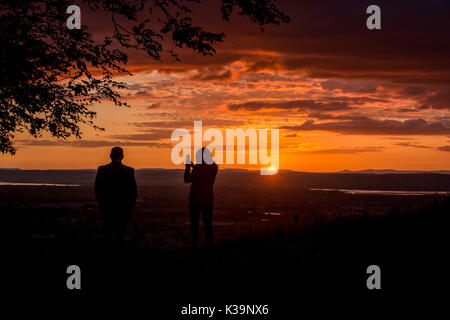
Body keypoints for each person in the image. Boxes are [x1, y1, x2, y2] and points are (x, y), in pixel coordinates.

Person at [95, 147, 137, 248]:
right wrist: (129, 207)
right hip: (123, 209)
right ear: (122, 157)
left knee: (107, 233)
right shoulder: (129, 171)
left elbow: (97, 189)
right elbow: (133, 192)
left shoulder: (102, 170)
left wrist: (102, 203)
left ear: (110, 156)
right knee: (120, 234)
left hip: (107, 207)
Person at [184, 147, 218, 257]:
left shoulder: (199, 169)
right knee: (207, 226)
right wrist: (192, 166)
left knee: (195, 227)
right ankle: (210, 250)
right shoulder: (213, 168)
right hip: (207, 200)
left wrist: (188, 167)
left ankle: (195, 251)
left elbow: (187, 179)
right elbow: (203, 172)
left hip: (195, 200)